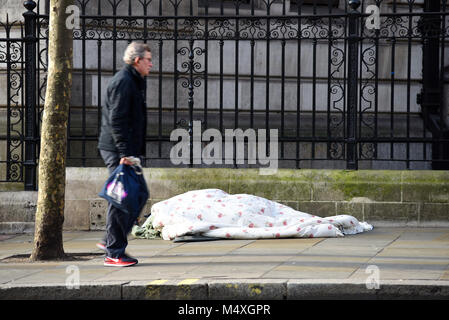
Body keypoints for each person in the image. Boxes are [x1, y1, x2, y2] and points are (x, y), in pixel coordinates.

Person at [97, 42, 153, 267]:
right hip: (118, 150)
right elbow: (117, 120)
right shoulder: (124, 82)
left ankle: (110, 241)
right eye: (148, 59)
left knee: (137, 194)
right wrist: (125, 153)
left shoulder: (133, 81)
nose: (152, 64)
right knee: (123, 198)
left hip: (123, 149)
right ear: (137, 60)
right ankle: (114, 251)